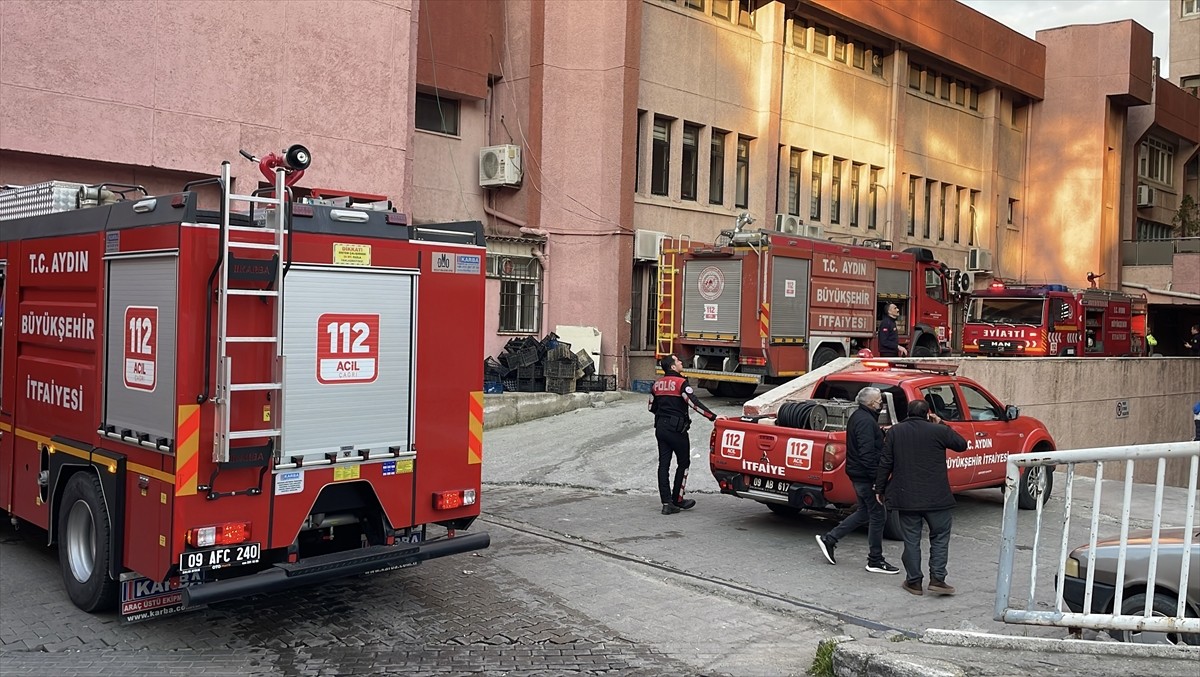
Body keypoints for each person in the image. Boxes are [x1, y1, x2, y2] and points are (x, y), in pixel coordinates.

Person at [874, 399, 968, 596]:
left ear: (908, 413)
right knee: (940, 537)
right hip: (937, 498)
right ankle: (938, 579)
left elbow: (885, 462)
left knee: (911, 540)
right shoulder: (939, 431)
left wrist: (879, 489)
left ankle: (914, 581)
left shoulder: (895, 432)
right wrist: (942, 423)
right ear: (927, 413)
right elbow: (961, 444)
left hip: (906, 497)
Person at [815, 387, 899, 574]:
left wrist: (881, 434)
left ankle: (830, 539)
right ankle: (875, 560)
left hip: (859, 474)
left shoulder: (860, 417)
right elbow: (867, 453)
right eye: (879, 401)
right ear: (871, 403)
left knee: (864, 512)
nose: (881, 404)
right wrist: (877, 481)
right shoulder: (865, 421)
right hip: (865, 476)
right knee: (878, 515)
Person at [649, 354, 718, 515]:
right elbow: (694, 404)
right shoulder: (681, 383)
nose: (681, 362)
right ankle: (678, 499)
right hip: (677, 429)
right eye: (678, 361)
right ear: (673, 367)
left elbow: (651, 407)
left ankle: (667, 503)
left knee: (663, 465)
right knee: (683, 463)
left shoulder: (657, 385)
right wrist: (714, 417)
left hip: (661, 428)